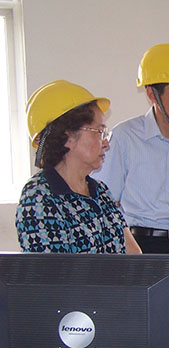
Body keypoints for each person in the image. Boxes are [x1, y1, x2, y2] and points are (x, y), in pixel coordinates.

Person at [94, 43, 169, 330]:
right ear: (152, 94)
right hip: (142, 245)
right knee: (143, 329)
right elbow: (107, 202)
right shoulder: (124, 139)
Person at [16, 80, 141, 254]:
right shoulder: (39, 197)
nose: (106, 143)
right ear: (67, 136)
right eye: (99, 132)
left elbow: (134, 256)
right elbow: (56, 276)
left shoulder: (101, 192)